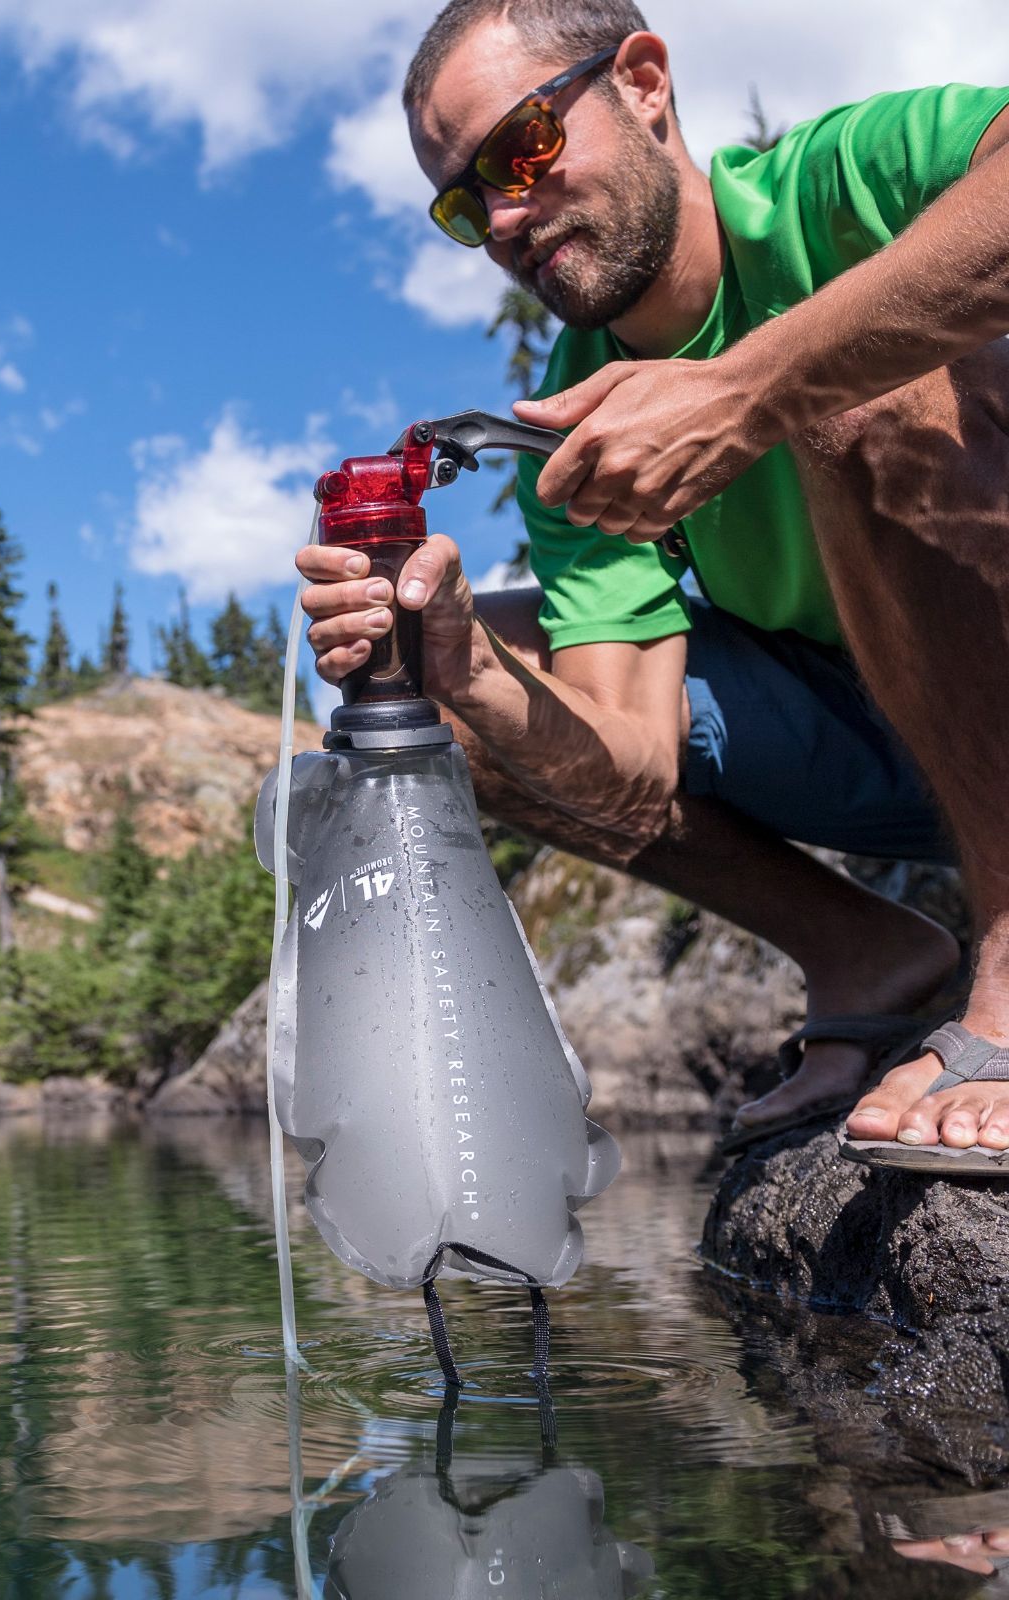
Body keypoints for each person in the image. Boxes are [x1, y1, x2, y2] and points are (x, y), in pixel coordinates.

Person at [299, 0, 1009, 1165]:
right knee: (438, 709)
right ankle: (865, 956)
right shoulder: (573, 429)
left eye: (520, 149)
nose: (506, 219)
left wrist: (749, 388)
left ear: (640, 81)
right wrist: (465, 670)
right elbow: (631, 771)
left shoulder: (840, 180)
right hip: (893, 746)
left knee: (860, 392)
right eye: (465, 204)